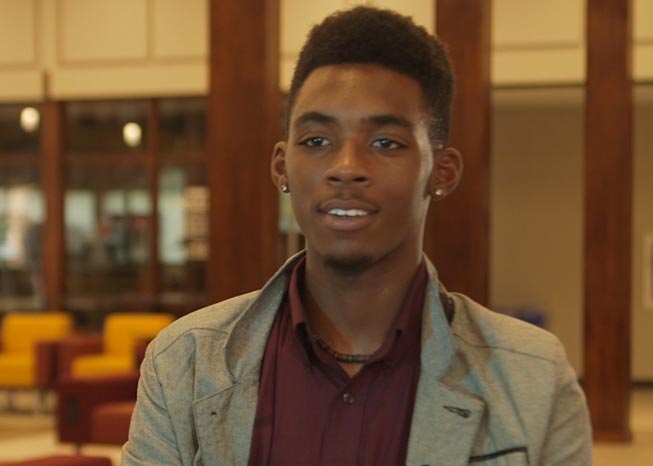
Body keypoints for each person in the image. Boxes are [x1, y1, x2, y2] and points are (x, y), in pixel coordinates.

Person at [123, 6, 592, 466]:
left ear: (442, 172)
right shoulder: (185, 364)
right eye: (316, 141)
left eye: (385, 142)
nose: (346, 168)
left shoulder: (533, 378)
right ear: (282, 167)